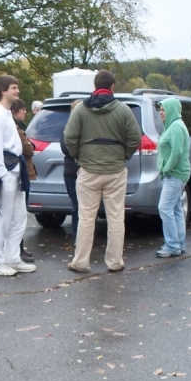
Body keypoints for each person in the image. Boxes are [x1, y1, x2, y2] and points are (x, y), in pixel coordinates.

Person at [63, 70, 141, 273]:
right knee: (115, 216)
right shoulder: (123, 110)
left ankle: (80, 261)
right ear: (113, 86)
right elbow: (135, 138)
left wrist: (79, 157)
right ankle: (114, 262)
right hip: (115, 171)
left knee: (86, 217)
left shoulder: (81, 109)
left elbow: (69, 137)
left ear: (94, 86)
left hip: (88, 170)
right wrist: (123, 155)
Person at [0, 75, 36, 276]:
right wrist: (2, 175)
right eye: (14, 88)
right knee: (2, 218)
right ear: (3, 91)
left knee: (19, 217)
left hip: (16, 170)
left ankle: (12, 258)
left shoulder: (6, 115)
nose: (18, 91)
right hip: (6, 171)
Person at [155, 97, 191, 258]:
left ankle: (172, 245)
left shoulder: (176, 127)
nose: (161, 113)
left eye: (163, 109)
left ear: (171, 110)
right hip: (175, 174)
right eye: (160, 110)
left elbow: (177, 152)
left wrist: (166, 169)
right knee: (176, 209)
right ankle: (179, 244)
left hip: (174, 174)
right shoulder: (172, 126)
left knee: (164, 208)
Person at [11, 98, 36, 263]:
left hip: (21, 173)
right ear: (15, 111)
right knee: (18, 215)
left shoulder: (19, 127)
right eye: (22, 109)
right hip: (20, 173)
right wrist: (30, 144)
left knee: (19, 214)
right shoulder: (17, 128)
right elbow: (27, 148)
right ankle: (17, 250)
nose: (25, 112)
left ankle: (19, 249)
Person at [60, 100, 81, 239]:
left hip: (87, 171)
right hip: (72, 172)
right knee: (76, 206)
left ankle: (85, 236)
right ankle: (77, 236)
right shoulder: (67, 129)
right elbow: (66, 149)